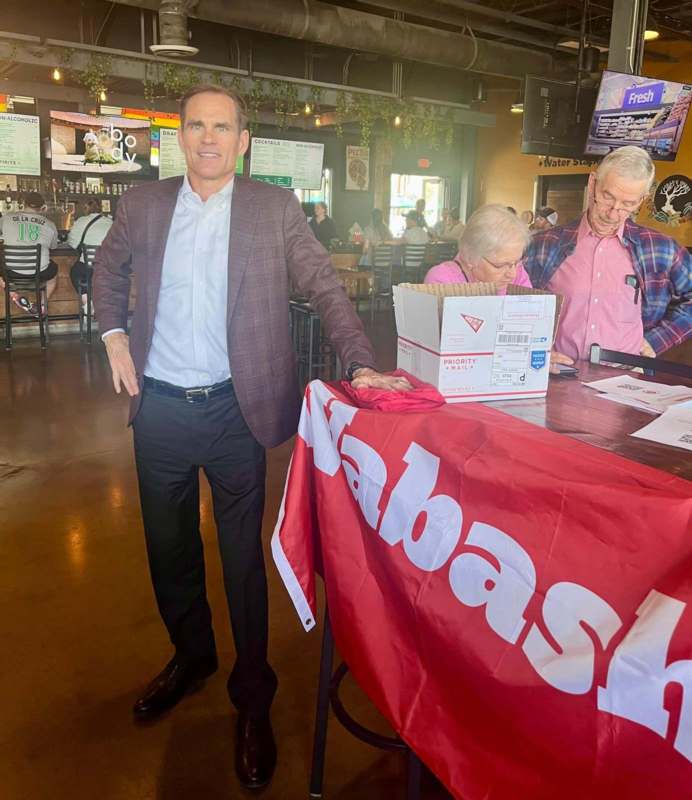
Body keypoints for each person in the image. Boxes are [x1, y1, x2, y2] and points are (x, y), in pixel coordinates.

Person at [92, 84, 409, 791]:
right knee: (169, 552)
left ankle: (252, 699)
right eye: (196, 126)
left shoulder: (273, 209)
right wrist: (113, 332)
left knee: (242, 561)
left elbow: (325, 286)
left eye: (223, 127)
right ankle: (192, 655)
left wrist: (359, 360)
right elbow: (107, 269)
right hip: (161, 409)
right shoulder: (143, 205)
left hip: (238, 409)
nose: (209, 138)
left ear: (243, 141)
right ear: (181, 136)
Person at [523, 145, 692, 365]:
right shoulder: (545, 245)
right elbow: (514, 306)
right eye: (607, 197)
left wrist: (655, 341)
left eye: (627, 204)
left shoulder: (660, 249)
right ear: (593, 183)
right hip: (558, 378)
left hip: (626, 381)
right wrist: (534, 351)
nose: (614, 212)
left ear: (641, 200)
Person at [424, 204, 532, 294]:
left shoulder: (517, 270)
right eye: (500, 266)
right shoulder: (442, 280)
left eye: (517, 262)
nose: (512, 274)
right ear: (470, 257)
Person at [0, 191, 59, 315]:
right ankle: (41, 305)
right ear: (42, 207)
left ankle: (14, 294)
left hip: (12, 271)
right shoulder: (50, 224)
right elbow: (54, 247)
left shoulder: (6, 218)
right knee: (54, 274)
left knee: (1, 272)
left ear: (24, 204)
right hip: (40, 272)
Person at [67, 199, 113, 316]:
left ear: (86, 208)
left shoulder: (80, 221)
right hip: (107, 270)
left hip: (87, 269)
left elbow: (72, 243)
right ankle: (106, 308)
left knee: (75, 272)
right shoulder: (111, 223)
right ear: (101, 209)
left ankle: (87, 302)